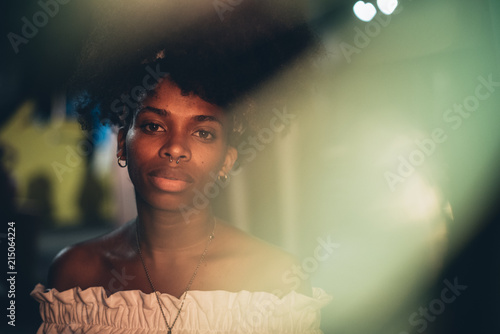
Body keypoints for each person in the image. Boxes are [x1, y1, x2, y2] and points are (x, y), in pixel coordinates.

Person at [31, 1, 331, 333]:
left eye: (203, 132)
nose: (174, 148)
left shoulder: (276, 279)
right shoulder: (76, 277)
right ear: (121, 145)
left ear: (227, 160)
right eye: (153, 126)